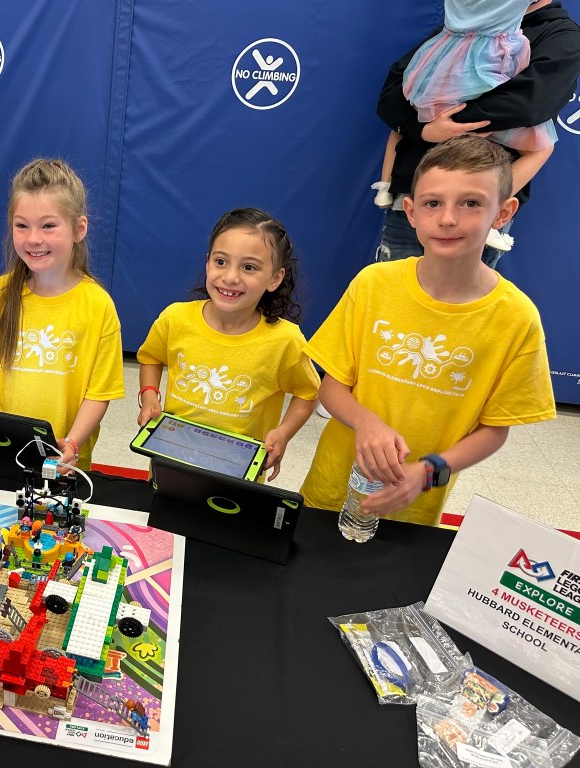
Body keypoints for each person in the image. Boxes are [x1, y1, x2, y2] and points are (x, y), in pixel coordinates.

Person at [301, 135, 555, 527]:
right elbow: (332, 386)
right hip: (332, 486)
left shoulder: (516, 318)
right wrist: (365, 422)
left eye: (471, 203)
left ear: (503, 213)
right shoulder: (374, 284)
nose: (448, 218)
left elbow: (494, 431)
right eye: (433, 203)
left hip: (415, 510)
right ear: (411, 211)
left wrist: (429, 473)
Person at [0, 159, 125, 470]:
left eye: (48, 225)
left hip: (61, 462)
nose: (33, 238)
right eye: (22, 225)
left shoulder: (98, 305)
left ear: (79, 229)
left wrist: (72, 443)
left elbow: (98, 393)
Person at [375, 0, 580, 268]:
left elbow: (530, 104)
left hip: (478, 205)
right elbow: (394, 92)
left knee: (461, 305)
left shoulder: (561, 36)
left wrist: (445, 118)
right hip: (413, 196)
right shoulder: (462, 28)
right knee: (394, 299)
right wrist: (425, 129)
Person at [135, 208, 320, 481]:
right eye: (221, 262)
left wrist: (283, 434)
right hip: (171, 464)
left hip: (238, 477)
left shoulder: (285, 341)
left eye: (249, 267)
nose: (231, 277)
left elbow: (308, 393)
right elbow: (151, 357)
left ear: (275, 278)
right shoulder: (175, 318)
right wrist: (150, 395)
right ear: (208, 262)